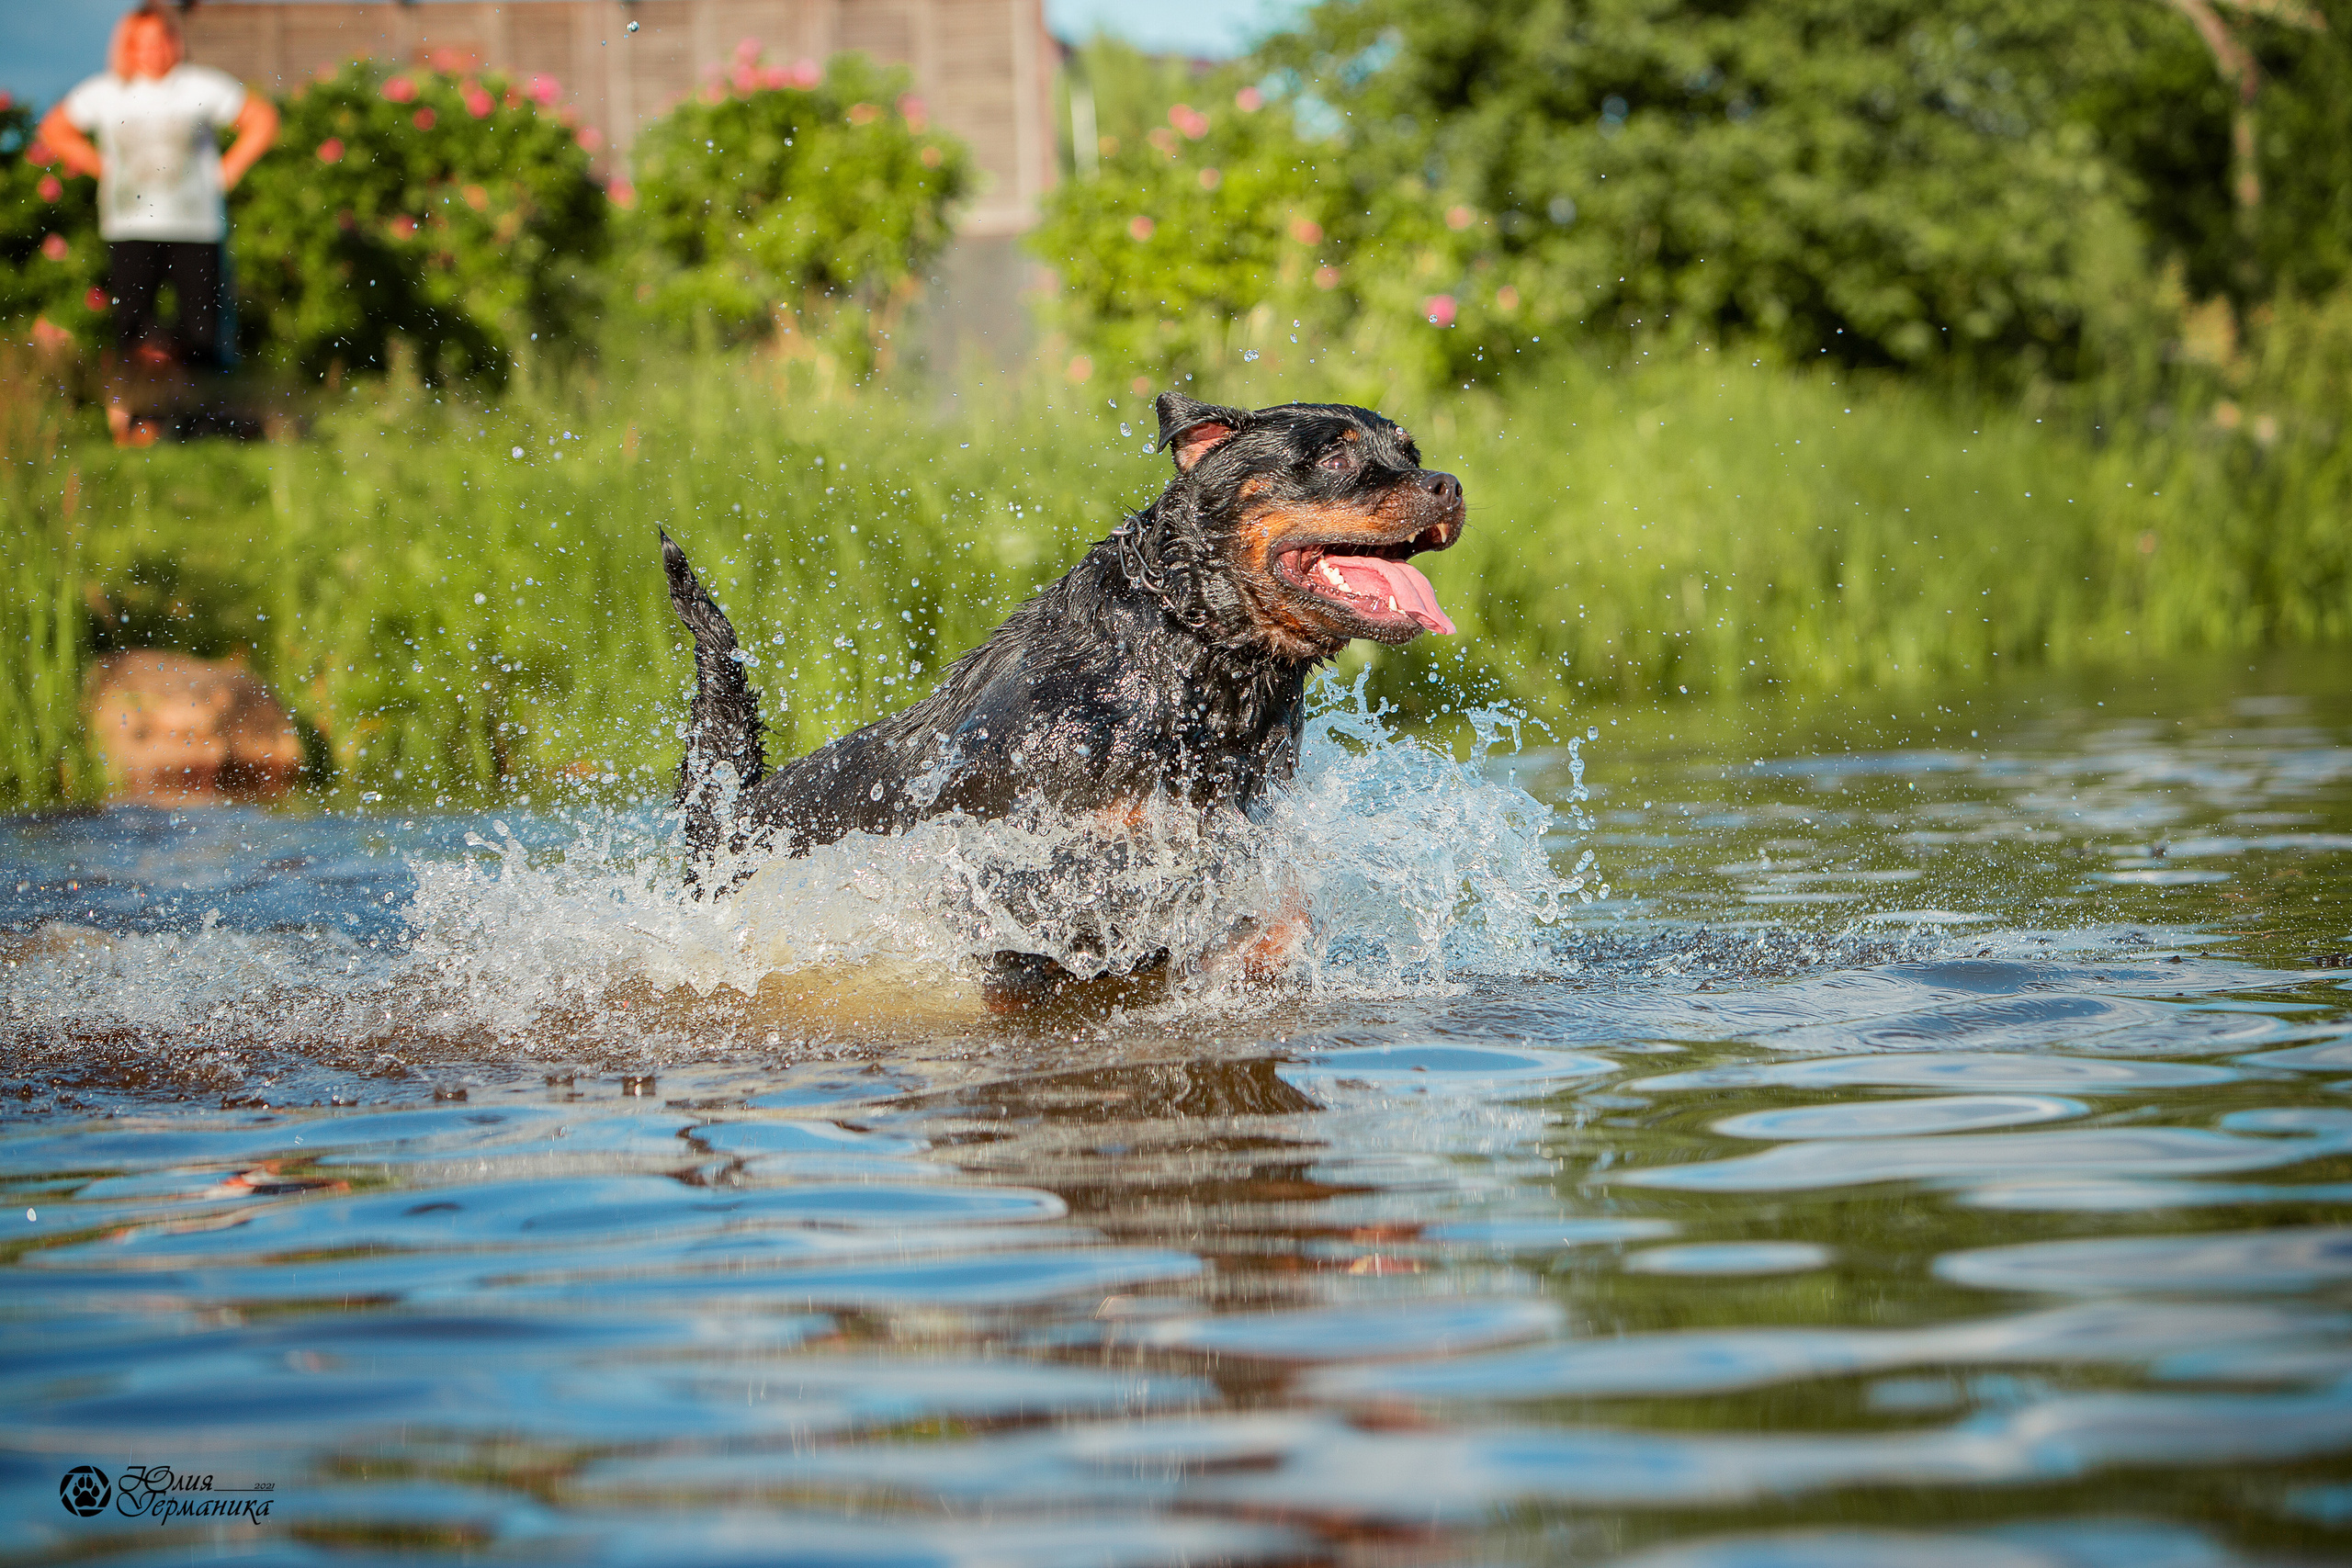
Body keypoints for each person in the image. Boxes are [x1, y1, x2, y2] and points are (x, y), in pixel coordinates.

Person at [38, 2, 277, 445]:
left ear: (175, 42)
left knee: (203, 331)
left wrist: (230, 169)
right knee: (132, 327)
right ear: (127, 47)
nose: (153, 50)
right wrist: (102, 166)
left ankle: (206, 424)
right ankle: (137, 425)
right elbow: (55, 129)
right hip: (130, 226)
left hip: (195, 225)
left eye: (161, 39)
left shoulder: (200, 87)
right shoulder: (105, 93)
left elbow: (262, 119)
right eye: (141, 42)